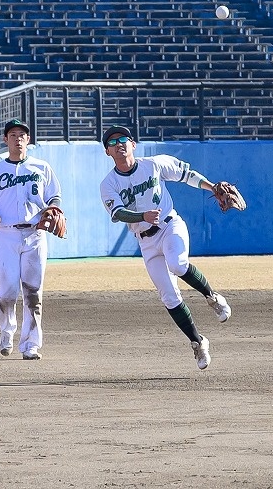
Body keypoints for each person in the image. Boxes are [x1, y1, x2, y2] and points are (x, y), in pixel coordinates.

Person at [99, 125, 233, 371]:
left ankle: (212, 297)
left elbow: (186, 174)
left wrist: (212, 187)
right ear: (107, 152)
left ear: (133, 144)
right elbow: (117, 213)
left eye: (123, 139)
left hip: (170, 226)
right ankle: (198, 342)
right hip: (146, 241)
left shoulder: (154, 164)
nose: (119, 144)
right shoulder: (108, 184)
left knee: (178, 264)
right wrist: (142, 216)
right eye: (112, 142)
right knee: (169, 297)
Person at [0, 119, 62, 361]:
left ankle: (30, 345)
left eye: (22, 135)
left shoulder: (42, 168)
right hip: (6, 235)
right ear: (5, 140)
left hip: (35, 235)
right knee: (7, 291)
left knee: (33, 293)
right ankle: (7, 332)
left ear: (28, 139)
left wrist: (53, 210)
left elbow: (55, 196)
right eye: (13, 134)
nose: (18, 138)